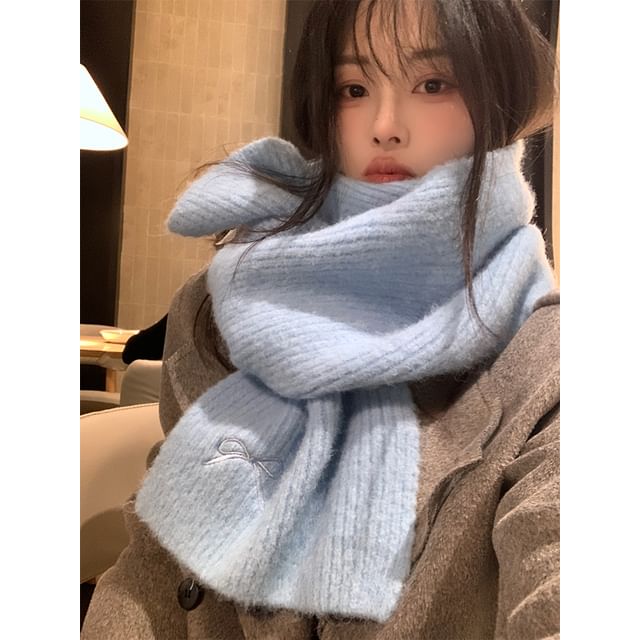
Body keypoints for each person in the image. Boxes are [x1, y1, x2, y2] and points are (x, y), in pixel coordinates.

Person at [82, 1, 559, 638]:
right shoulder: (223, 314)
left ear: (499, 103)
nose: (385, 126)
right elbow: (156, 569)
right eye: (353, 89)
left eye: (433, 83)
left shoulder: (549, 363)